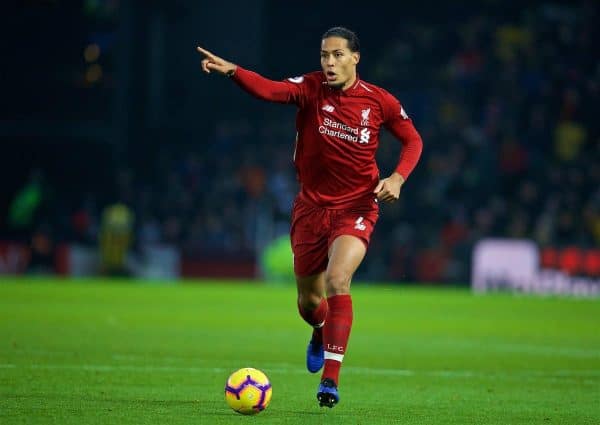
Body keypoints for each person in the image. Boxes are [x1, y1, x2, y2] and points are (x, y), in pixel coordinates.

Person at [198, 26, 423, 408]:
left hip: (356, 207)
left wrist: (398, 178)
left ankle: (330, 382)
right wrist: (234, 71)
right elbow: (270, 89)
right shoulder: (310, 88)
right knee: (308, 302)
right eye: (324, 55)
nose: (329, 62)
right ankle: (319, 330)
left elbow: (413, 139)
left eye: (337, 55)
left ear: (355, 58)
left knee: (338, 281)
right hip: (311, 209)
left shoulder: (379, 101)